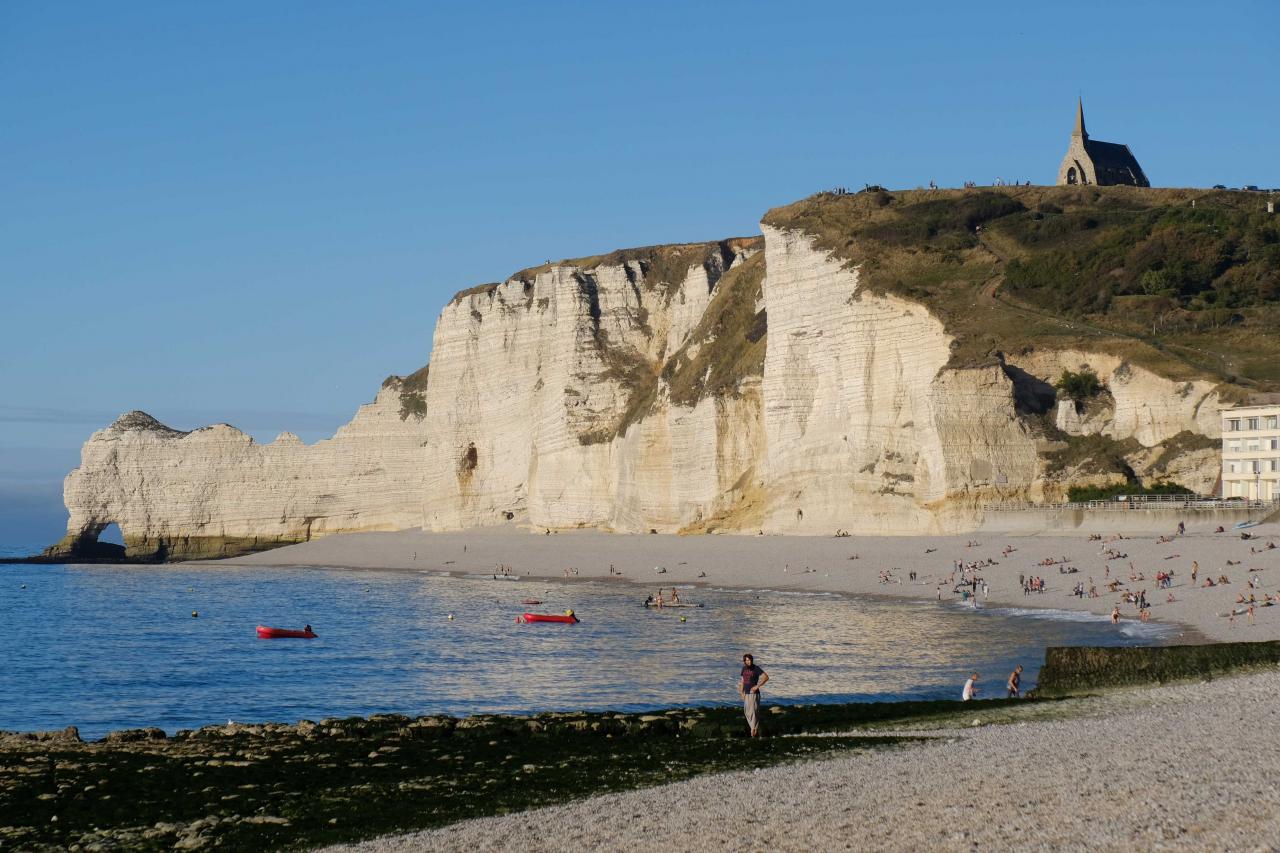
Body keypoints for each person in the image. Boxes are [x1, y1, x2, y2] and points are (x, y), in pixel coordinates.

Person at [739, 654, 769, 736]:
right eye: (747, 660)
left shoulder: (756, 668)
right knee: (746, 711)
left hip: (753, 693)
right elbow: (742, 681)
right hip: (746, 692)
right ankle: (754, 727)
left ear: (752, 660)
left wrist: (757, 686)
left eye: (749, 660)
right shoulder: (743, 669)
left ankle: (753, 729)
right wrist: (741, 692)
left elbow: (766, 677)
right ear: (744, 661)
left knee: (753, 712)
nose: (748, 662)